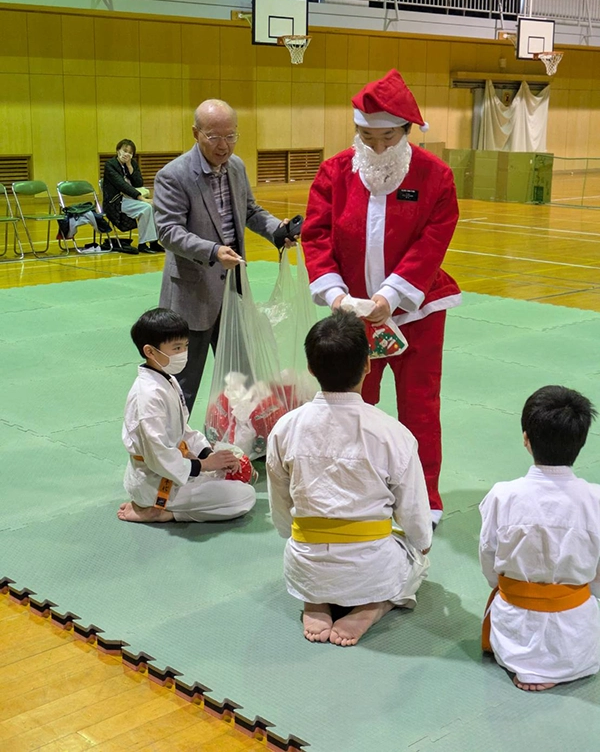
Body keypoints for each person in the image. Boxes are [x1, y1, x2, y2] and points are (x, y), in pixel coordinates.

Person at [301, 69, 461, 527]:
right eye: (365, 136)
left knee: (420, 406)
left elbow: (432, 241)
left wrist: (392, 296)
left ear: (407, 131)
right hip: (351, 315)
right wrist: (335, 295)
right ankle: (356, 488)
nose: (375, 147)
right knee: (351, 406)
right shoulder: (335, 171)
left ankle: (424, 497)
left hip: (417, 313)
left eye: (387, 136)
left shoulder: (435, 176)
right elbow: (315, 236)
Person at [267, 311, 432, 646]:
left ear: (311, 369)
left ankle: (316, 599)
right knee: (419, 558)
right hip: (370, 567)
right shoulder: (392, 432)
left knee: (309, 550)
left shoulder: (286, 426)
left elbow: (281, 508)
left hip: (306, 562)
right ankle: (373, 605)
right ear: (368, 366)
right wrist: (421, 542)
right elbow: (414, 513)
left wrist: (295, 535)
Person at [154, 99, 293, 413]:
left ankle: (244, 440)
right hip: (193, 293)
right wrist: (213, 251)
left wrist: (277, 230)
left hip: (235, 289)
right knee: (184, 384)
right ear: (196, 133)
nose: (223, 145)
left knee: (242, 377)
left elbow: (250, 212)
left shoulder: (237, 167)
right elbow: (168, 232)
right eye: (214, 137)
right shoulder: (173, 176)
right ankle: (173, 451)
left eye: (231, 136)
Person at [479, 385, 600, 691]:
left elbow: (488, 558)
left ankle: (529, 663)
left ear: (526, 439)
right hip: (577, 638)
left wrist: (503, 587)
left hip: (513, 630)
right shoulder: (595, 500)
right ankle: (559, 664)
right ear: (582, 442)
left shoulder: (502, 495)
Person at [118, 307, 257, 523]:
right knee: (243, 497)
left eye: (185, 346)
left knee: (235, 474)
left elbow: (183, 430)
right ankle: (161, 512)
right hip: (157, 482)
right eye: (176, 347)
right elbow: (158, 455)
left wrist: (206, 454)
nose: (183, 353)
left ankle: (163, 506)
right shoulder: (147, 396)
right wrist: (205, 466)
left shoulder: (167, 379)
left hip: (174, 469)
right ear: (150, 351)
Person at [103, 139, 165, 254]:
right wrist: (142, 199)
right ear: (118, 151)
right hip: (116, 202)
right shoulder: (110, 165)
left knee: (154, 208)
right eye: (124, 151)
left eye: (130, 153)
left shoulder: (132, 164)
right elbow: (122, 185)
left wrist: (129, 165)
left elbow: (138, 183)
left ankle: (154, 242)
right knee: (146, 208)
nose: (127, 154)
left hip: (130, 199)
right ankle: (142, 244)